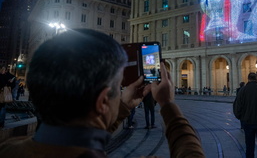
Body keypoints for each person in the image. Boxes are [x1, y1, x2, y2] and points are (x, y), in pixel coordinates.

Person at [0, 29, 204, 157]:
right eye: (118, 87)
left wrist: (122, 106)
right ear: (102, 101)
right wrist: (168, 105)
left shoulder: (8, 149)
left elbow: (82, 137)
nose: (121, 91)